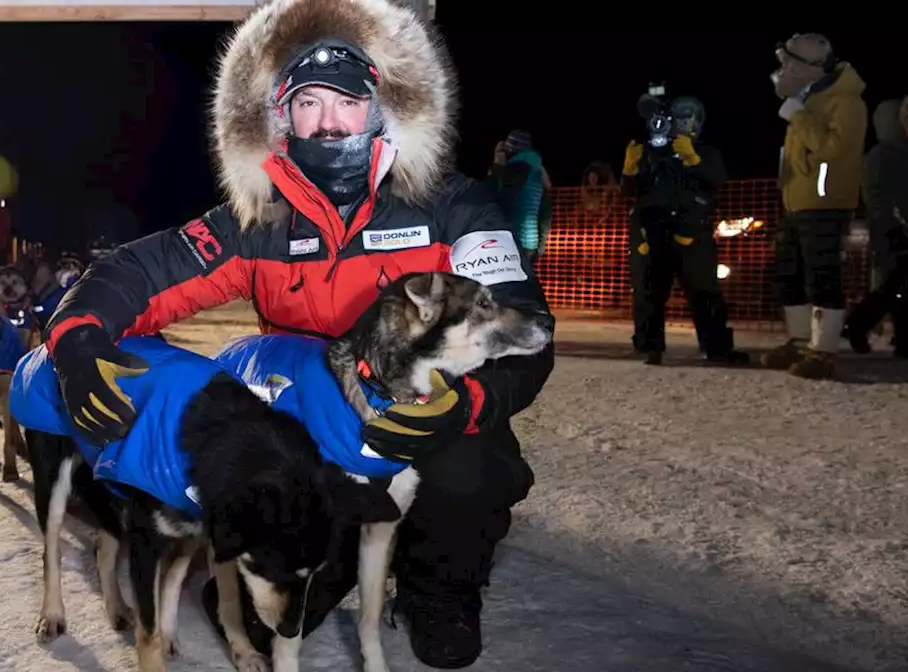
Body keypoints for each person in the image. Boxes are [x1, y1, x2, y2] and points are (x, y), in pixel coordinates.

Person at [43, 0, 553, 667]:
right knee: (269, 623)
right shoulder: (257, 222)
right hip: (309, 428)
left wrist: (471, 403)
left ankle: (439, 586)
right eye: (308, 102)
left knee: (471, 466)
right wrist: (77, 335)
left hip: (429, 407)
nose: (330, 121)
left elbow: (523, 330)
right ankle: (325, 556)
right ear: (277, 119)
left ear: (383, 105)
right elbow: (141, 270)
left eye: (348, 98)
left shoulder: (452, 206)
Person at [762, 33, 867, 379]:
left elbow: (833, 151)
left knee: (823, 276)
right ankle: (800, 340)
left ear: (813, 66)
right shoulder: (810, 97)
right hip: (797, 201)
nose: (783, 70)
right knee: (789, 273)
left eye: (790, 63)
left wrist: (799, 117)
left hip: (826, 204)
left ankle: (823, 351)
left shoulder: (846, 102)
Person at [620, 95, 749, 366]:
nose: (684, 122)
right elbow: (629, 193)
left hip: (692, 232)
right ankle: (649, 346)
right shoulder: (653, 151)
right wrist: (629, 169)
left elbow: (716, 182)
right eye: (679, 117)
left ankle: (717, 347)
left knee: (704, 290)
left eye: (690, 117)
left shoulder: (707, 152)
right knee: (648, 291)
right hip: (651, 231)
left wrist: (693, 160)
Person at [844, 95, 908, 360]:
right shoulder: (882, 155)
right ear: (895, 122)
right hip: (892, 230)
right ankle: (858, 325)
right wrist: (890, 227)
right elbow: (877, 195)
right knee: (899, 285)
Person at [486, 129, 551, 260]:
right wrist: (541, 243)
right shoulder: (537, 173)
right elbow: (545, 213)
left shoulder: (513, 170)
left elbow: (493, 198)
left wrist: (497, 166)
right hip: (531, 243)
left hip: (510, 241)